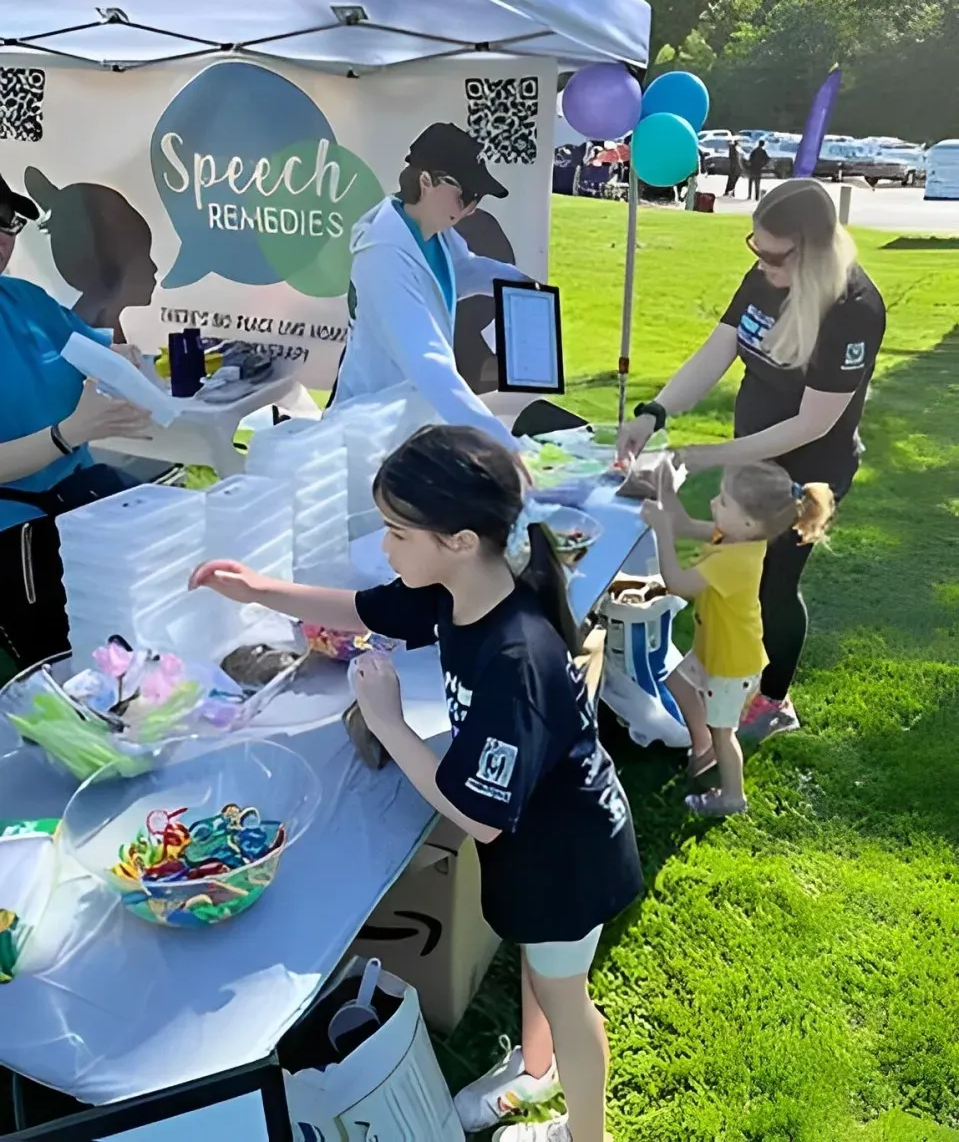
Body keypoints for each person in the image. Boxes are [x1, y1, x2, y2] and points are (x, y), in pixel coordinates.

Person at [191, 424, 644, 1142]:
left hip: (567, 858)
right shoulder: (453, 591)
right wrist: (257, 588)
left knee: (567, 1000)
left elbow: (480, 814)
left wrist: (389, 720)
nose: (384, 546)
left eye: (398, 532)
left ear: (459, 539)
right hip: (539, 847)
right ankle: (533, 1070)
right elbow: (361, 607)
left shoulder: (514, 657)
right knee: (541, 969)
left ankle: (584, 1134)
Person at [619, 178, 886, 742]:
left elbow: (813, 423)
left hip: (807, 468)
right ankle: (721, 669)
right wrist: (654, 413)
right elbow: (717, 351)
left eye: (774, 254)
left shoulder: (854, 309)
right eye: (755, 248)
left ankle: (773, 698)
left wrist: (713, 454)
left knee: (772, 583)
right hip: (753, 451)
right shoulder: (764, 279)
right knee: (730, 567)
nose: (761, 262)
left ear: (813, 250)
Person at [0, 171, 153, 671]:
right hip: (19, 532)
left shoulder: (24, 300)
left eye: (10, 222)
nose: (4, 237)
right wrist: (70, 433)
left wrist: (132, 367)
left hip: (86, 505)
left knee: (142, 632)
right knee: (66, 670)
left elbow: (103, 353)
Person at [642, 461, 834, 815]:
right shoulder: (733, 535)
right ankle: (703, 751)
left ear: (749, 523)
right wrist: (666, 488)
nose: (715, 503)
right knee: (679, 684)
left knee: (723, 730)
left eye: (725, 502)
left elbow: (678, 584)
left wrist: (661, 534)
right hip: (714, 648)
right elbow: (684, 524)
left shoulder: (735, 558)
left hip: (730, 664)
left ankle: (732, 796)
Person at [330, 122, 532, 451]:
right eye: (466, 195)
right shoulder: (384, 257)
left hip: (407, 418)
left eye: (477, 199)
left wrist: (521, 285)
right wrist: (502, 444)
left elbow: (461, 271)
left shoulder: (431, 232)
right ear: (426, 182)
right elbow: (427, 361)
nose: (471, 208)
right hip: (371, 427)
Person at [22, 168, 158, 337]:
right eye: (143, 256)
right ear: (109, 267)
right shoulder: (82, 339)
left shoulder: (99, 328)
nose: (154, 268)